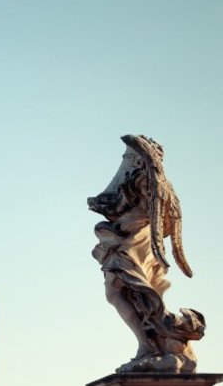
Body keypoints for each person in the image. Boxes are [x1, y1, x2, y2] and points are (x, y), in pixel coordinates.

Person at [87, 134, 204, 373]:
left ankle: (147, 344)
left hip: (130, 243)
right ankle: (152, 343)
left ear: (138, 159)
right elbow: (167, 224)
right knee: (133, 294)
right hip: (141, 242)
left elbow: (116, 207)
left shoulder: (141, 179)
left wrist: (98, 203)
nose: (125, 161)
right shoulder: (160, 185)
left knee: (119, 293)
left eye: (127, 156)